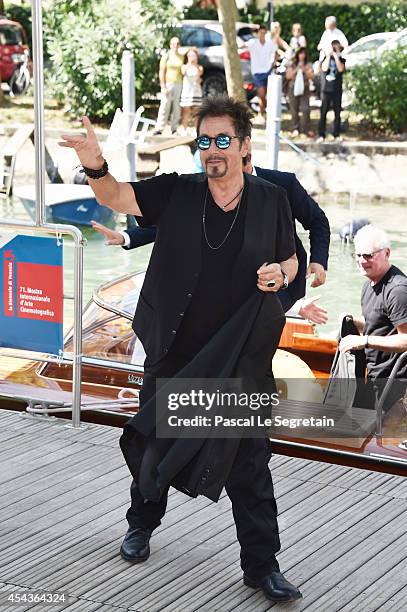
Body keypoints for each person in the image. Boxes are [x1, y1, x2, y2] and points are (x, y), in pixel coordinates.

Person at [60, 97, 302, 604]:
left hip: (239, 354)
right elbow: (119, 196)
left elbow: (292, 259)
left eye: (222, 141)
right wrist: (94, 163)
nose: (212, 151)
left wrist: (282, 273)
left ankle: (262, 566)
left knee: (250, 461)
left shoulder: (271, 199)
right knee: (154, 442)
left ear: (243, 146)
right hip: (174, 349)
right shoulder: (178, 191)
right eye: (204, 141)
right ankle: (141, 524)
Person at [92, 150, 330, 315]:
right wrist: (127, 237)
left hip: (278, 286)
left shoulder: (283, 184)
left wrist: (318, 261)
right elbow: (177, 222)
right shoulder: (211, 187)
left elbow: (317, 220)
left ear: (248, 159)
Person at [339, 225, 407, 410]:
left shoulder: (397, 290)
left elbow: (406, 339)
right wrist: (351, 322)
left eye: (368, 255)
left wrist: (365, 341)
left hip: (394, 382)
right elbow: (378, 323)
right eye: (358, 255)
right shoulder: (369, 283)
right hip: (373, 373)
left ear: (387, 253)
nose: (362, 261)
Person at [153, 37, 184, 136]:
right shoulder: (166, 56)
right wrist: (163, 86)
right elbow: (161, 71)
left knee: (176, 107)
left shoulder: (181, 57)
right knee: (165, 106)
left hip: (178, 83)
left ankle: (174, 128)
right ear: (170, 45)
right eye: (173, 44)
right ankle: (159, 128)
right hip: (168, 83)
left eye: (177, 43)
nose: (175, 45)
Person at [318, 40, 346, 142]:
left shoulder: (342, 59)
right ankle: (321, 134)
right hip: (326, 89)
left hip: (337, 89)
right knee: (323, 112)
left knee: (337, 112)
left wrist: (336, 55)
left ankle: (336, 134)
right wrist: (329, 56)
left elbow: (340, 69)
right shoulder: (325, 59)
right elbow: (324, 69)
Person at [247, 24, 277, 118]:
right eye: (261, 33)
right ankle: (261, 112)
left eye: (264, 33)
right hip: (256, 72)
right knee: (261, 93)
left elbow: (275, 52)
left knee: (266, 94)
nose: (262, 34)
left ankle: (264, 111)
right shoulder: (252, 43)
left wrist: (273, 63)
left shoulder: (269, 43)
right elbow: (241, 45)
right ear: (258, 33)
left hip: (267, 71)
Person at [285, 47, 314, 138]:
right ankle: (295, 128)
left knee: (306, 109)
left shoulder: (308, 64)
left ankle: (306, 129)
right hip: (293, 88)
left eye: (304, 53)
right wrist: (297, 68)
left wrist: (304, 69)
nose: (302, 55)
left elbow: (312, 76)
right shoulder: (292, 64)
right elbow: (288, 76)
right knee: (294, 109)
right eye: (300, 53)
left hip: (305, 88)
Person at [179, 47, 203, 135]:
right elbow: (183, 72)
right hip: (186, 92)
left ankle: (196, 130)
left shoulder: (199, 67)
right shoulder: (184, 66)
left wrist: (195, 63)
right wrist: (189, 63)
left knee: (196, 112)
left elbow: (199, 73)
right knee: (186, 111)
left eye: (193, 55)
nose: (191, 57)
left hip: (196, 92)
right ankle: (184, 129)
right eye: (190, 55)